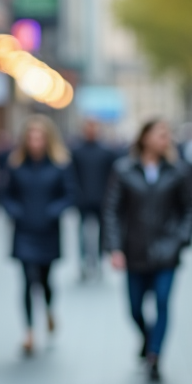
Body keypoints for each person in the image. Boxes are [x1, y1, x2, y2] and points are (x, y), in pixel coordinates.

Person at [104, 119, 192, 384]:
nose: (165, 139)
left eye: (167, 134)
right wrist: (114, 248)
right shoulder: (123, 170)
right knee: (134, 308)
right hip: (134, 251)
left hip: (167, 252)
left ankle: (155, 356)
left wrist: (180, 240)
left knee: (163, 302)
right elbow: (112, 210)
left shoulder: (177, 171)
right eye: (159, 134)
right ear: (144, 137)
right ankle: (147, 338)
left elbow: (190, 209)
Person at [3, 115, 76, 356]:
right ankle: (29, 332)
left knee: (44, 280)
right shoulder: (16, 165)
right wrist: (16, 211)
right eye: (31, 137)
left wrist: (52, 212)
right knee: (26, 279)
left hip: (47, 231)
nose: (35, 142)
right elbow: (5, 194)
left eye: (39, 137)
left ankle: (48, 310)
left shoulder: (59, 165)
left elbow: (70, 195)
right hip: (24, 230)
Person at [70, 117, 118, 280]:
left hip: (102, 199)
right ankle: (84, 261)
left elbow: (112, 177)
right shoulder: (76, 151)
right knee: (82, 232)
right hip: (83, 200)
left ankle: (98, 260)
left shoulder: (106, 151)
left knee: (102, 233)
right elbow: (72, 176)